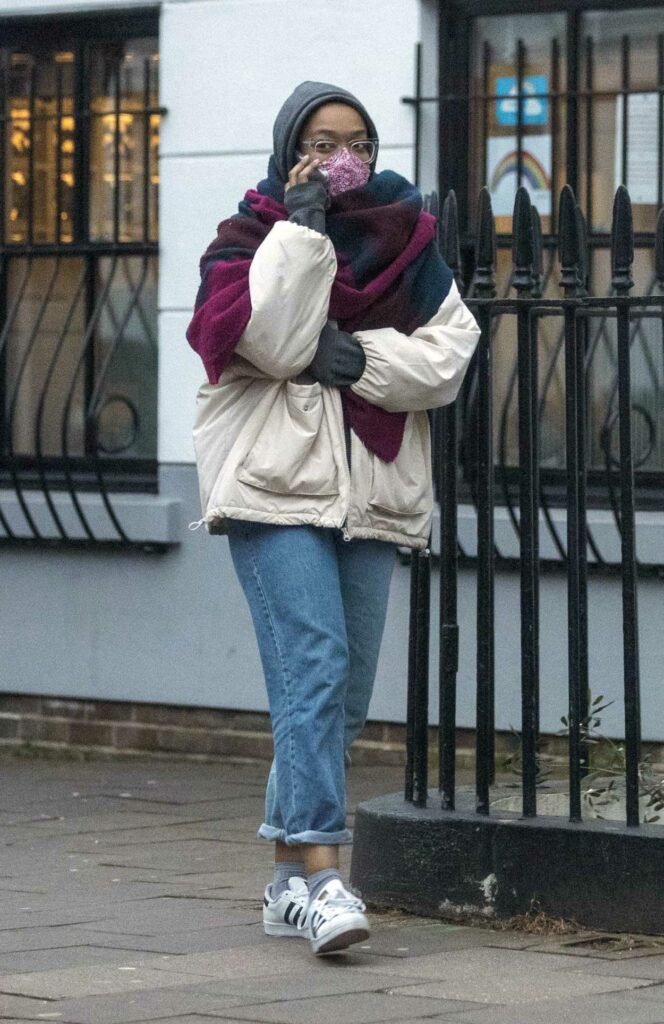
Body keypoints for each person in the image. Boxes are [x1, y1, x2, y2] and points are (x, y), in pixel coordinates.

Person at [186, 81, 480, 955]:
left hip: (373, 490)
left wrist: (355, 361)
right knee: (311, 667)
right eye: (318, 142)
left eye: (354, 141)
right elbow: (270, 340)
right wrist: (304, 229)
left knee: (339, 699)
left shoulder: (412, 241)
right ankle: (323, 875)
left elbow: (449, 355)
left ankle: (283, 882)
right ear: (289, 150)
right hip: (274, 485)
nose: (337, 157)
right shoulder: (248, 237)